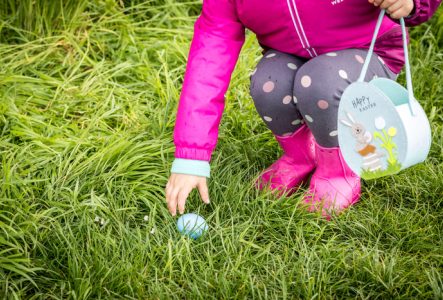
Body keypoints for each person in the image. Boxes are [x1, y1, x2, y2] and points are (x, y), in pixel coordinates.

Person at [165, 0, 441, 217]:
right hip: (294, 56)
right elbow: (210, 57)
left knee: (319, 81)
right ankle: (301, 156)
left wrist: (415, 2)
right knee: (267, 84)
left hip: (368, 51)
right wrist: (192, 157)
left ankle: (338, 169)